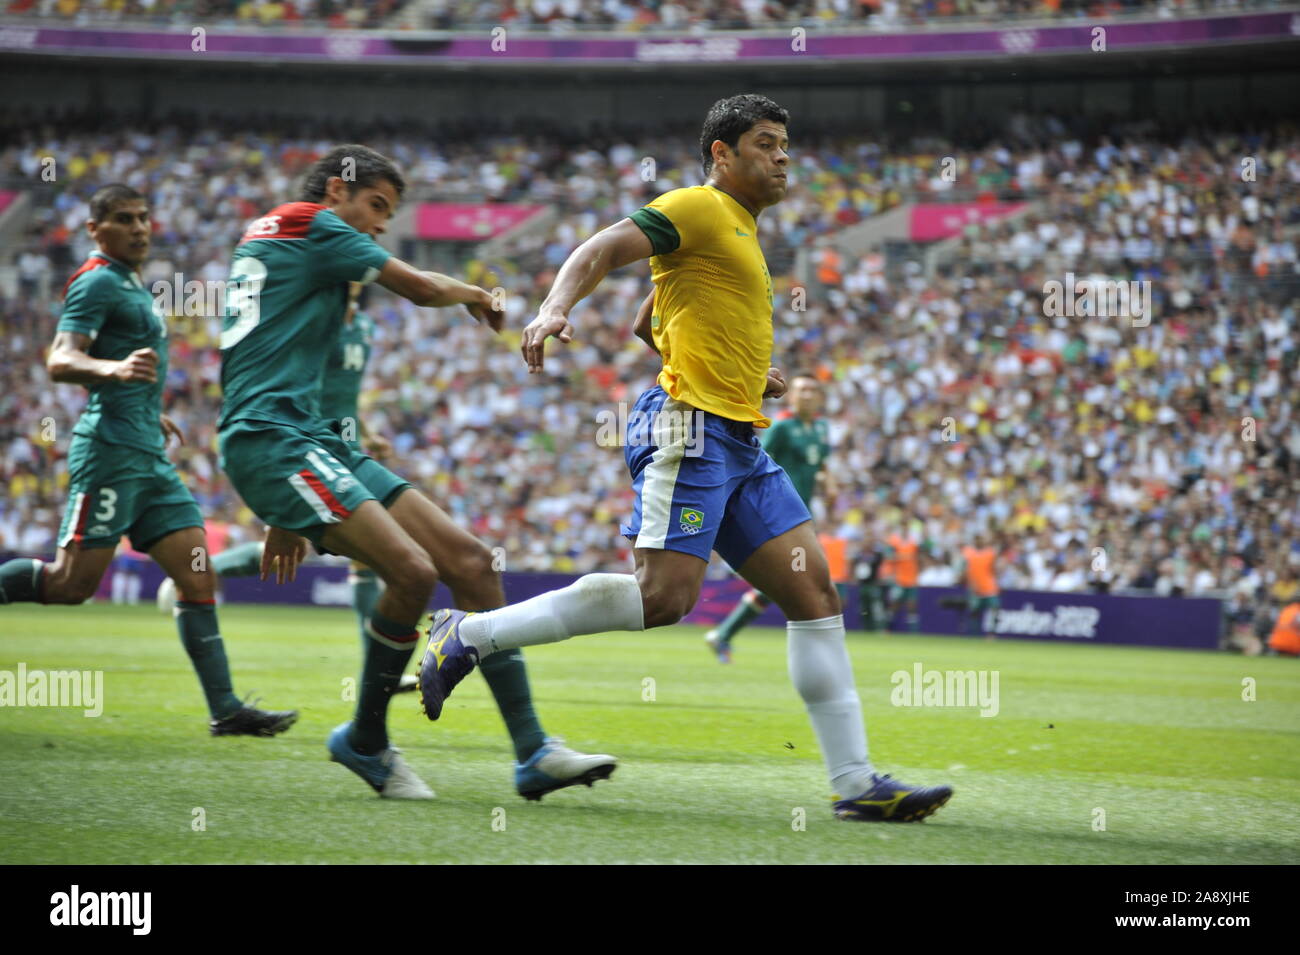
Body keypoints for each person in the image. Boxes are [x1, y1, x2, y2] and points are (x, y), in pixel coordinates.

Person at [418, 94, 953, 823]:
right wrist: (553, 308)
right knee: (663, 596)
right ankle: (469, 630)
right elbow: (601, 247)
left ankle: (856, 781)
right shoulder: (699, 207)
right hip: (688, 429)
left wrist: (738, 368)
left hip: (739, 438)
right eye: (766, 143)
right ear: (723, 155)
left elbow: (649, 320)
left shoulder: (741, 232)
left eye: (785, 144)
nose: (783, 156)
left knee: (814, 593)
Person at [218, 145, 615, 799]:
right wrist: (477, 293)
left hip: (311, 438)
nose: (380, 224)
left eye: (390, 213)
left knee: (472, 562)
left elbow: (273, 360)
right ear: (336, 191)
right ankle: (365, 740)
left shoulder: (283, 238)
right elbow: (422, 285)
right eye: (376, 206)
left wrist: (287, 510)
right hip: (278, 441)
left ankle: (534, 751)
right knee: (412, 572)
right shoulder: (314, 226)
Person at [0, 184, 298, 738]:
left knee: (197, 574)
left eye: (142, 217)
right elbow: (60, 359)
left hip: (147, 453)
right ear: (95, 229)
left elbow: (126, 364)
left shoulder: (130, 282)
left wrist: (145, 406)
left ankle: (226, 709)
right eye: (122, 219)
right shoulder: (96, 281)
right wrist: (113, 374)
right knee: (71, 584)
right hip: (110, 453)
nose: (139, 227)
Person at [703, 372, 834, 662]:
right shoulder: (782, 427)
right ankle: (817, 655)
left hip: (803, 513)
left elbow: (819, 462)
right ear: (792, 395)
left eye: (813, 390)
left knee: (791, 581)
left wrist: (828, 481)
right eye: (802, 390)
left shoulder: (822, 429)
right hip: (778, 512)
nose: (807, 395)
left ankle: (723, 634)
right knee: (804, 580)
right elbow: (757, 461)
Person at [960, 532, 1000, 640]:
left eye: (981, 539)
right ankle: (974, 634)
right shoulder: (968, 553)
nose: (979, 541)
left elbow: (994, 569)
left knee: (995, 609)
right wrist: (970, 583)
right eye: (977, 539)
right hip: (975, 588)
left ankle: (992, 634)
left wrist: (997, 582)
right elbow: (966, 570)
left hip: (989, 587)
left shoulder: (990, 553)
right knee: (974, 611)